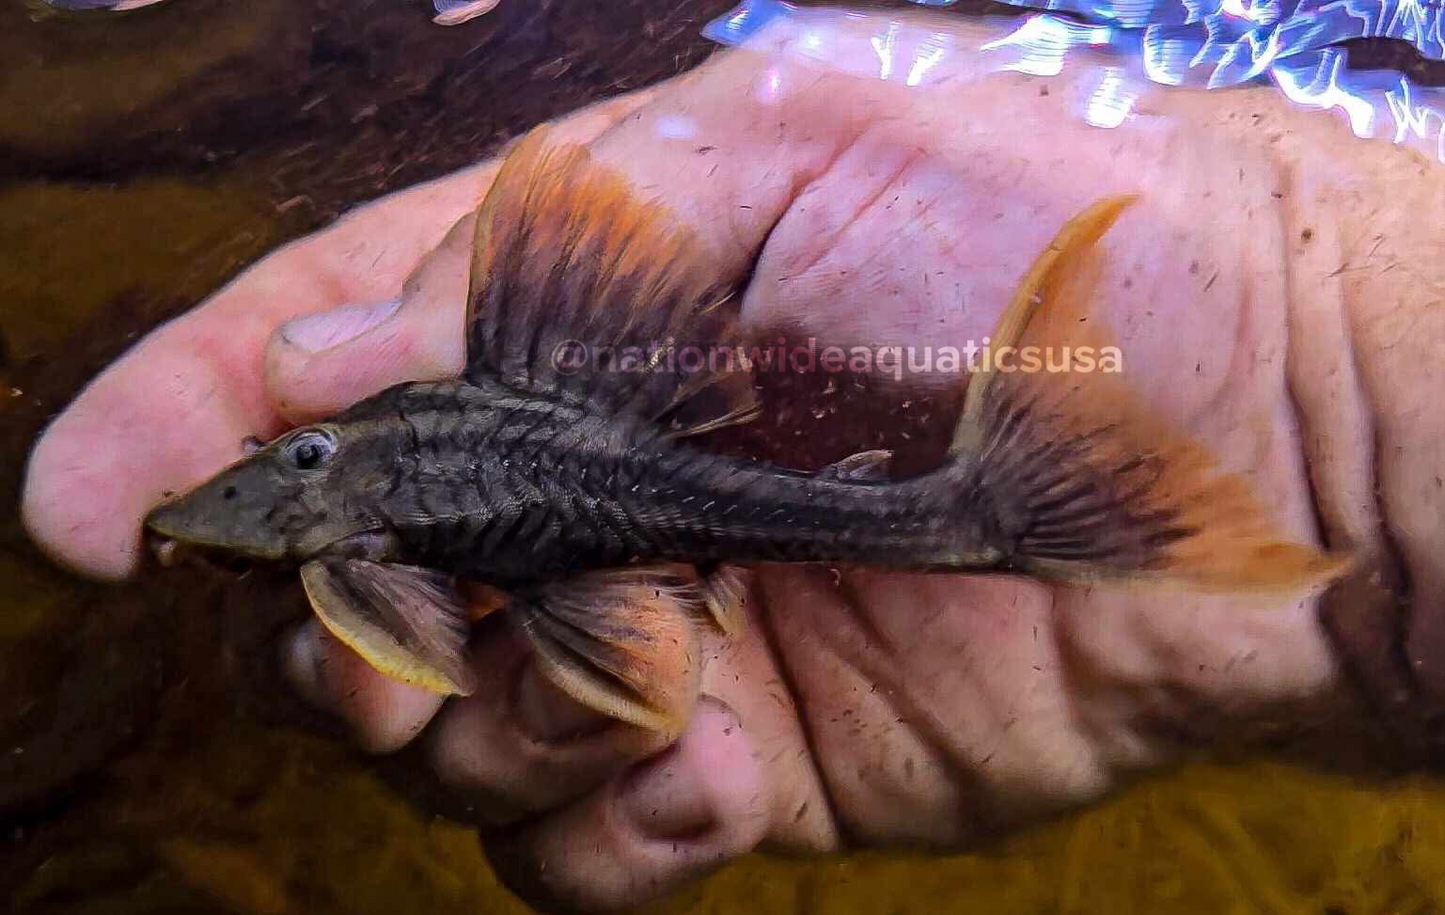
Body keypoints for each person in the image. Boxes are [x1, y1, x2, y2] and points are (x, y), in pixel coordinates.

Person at [19, 10, 1445, 913]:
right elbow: (428, 640)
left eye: (303, 454)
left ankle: (1146, 512)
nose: (263, 486)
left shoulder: (348, 552)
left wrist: (1327, 369)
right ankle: (1209, 523)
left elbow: (424, 641)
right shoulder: (355, 561)